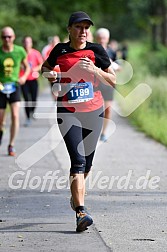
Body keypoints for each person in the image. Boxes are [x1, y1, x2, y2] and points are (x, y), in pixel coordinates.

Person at [41, 11, 116, 232]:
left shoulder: (96, 51)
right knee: (78, 161)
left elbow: (113, 79)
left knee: (87, 164)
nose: (83, 32)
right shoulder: (59, 50)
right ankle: (81, 211)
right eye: (78, 27)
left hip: (93, 112)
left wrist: (94, 69)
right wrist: (52, 76)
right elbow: (44, 69)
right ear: (69, 29)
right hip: (68, 113)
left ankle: (76, 198)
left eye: (86, 28)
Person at [0, 26, 30, 156]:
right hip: (1, 86)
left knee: (15, 115)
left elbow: (27, 66)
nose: (7, 39)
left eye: (9, 36)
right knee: (0, 120)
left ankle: (11, 145)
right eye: (4, 37)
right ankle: (2, 130)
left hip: (15, 86)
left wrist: (23, 77)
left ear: (14, 37)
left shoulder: (19, 51)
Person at [95, 28, 120, 142]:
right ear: (96, 38)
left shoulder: (112, 52)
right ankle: (94, 130)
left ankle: (104, 133)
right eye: (100, 38)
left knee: (108, 109)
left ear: (107, 39)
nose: (102, 40)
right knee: (95, 109)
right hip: (95, 83)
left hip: (108, 84)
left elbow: (118, 67)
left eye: (104, 38)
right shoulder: (92, 50)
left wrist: (113, 65)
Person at [21, 36, 43, 126]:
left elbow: (41, 64)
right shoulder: (20, 53)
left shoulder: (35, 53)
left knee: (34, 99)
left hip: (33, 79)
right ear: (23, 43)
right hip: (24, 79)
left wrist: (35, 69)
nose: (27, 44)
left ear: (31, 43)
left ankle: (32, 112)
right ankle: (28, 118)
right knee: (26, 99)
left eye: (29, 42)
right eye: (25, 42)